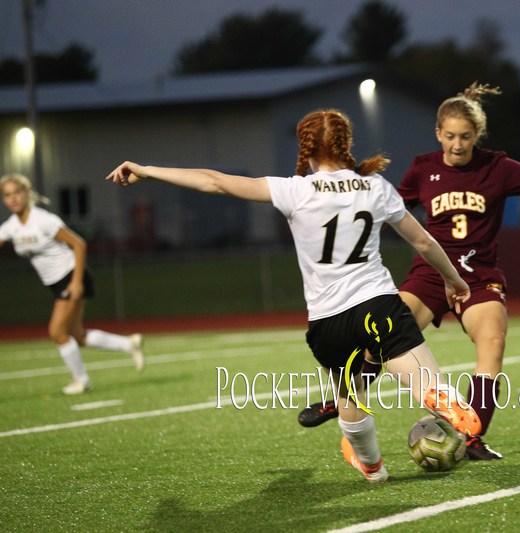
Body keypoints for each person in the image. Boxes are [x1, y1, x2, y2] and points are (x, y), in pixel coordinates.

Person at [106, 109, 481, 483]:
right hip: (377, 303)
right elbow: (422, 240)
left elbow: (215, 182)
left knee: (351, 395)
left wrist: (148, 170)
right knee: (421, 378)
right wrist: (453, 280)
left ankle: (372, 468)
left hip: (327, 323)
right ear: (346, 143)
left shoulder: (294, 190)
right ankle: (441, 396)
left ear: (305, 147)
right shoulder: (375, 187)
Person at [299, 83, 520, 461]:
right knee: (378, 343)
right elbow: (386, 208)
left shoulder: (497, 167)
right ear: (438, 132)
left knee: (492, 344)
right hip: (430, 274)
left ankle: (472, 437)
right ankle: (341, 401)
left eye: (466, 137)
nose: (457, 145)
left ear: (478, 135)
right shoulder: (424, 168)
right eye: (451, 136)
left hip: (478, 276)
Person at [0, 173, 145, 395]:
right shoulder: (11, 226)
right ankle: (128, 344)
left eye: (17, 192)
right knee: (77, 335)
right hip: (55, 283)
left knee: (57, 331)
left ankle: (81, 380)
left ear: (27, 193)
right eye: (7, 195)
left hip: (71, 276)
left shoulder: (43, 220)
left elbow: (79, 244)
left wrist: (76, 283)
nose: (13, 198)